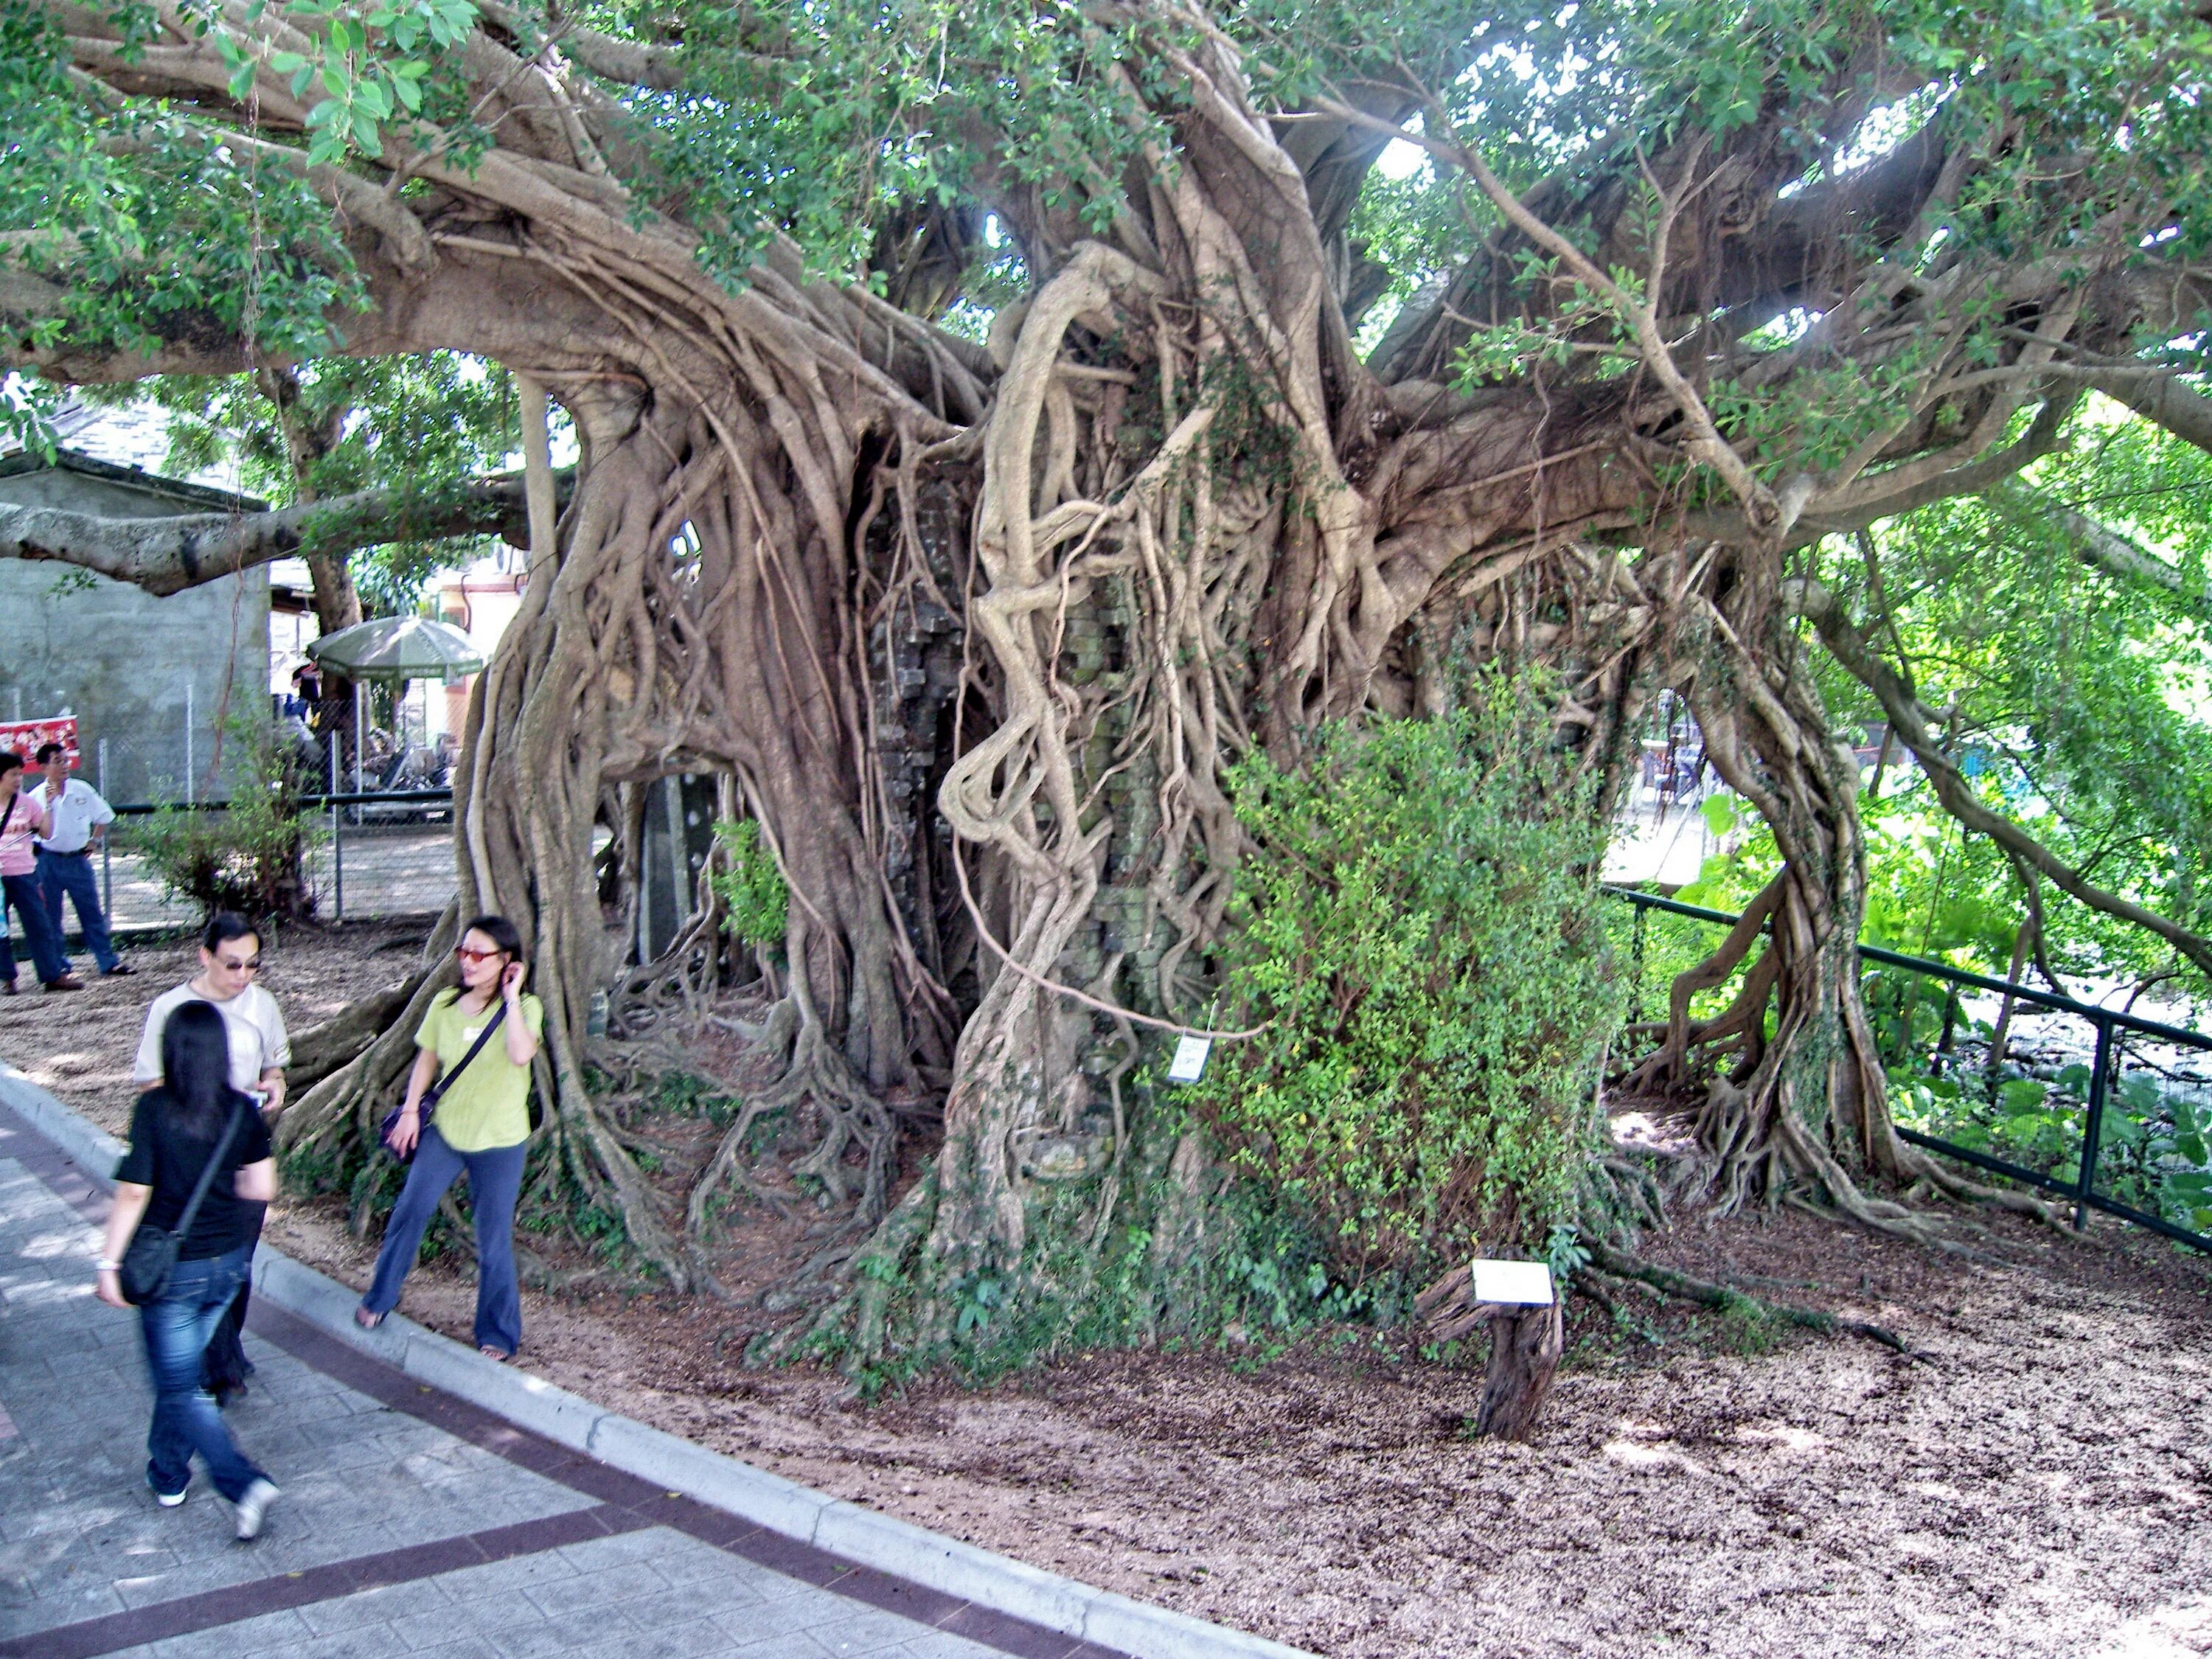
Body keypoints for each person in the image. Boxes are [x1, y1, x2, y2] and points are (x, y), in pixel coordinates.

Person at [95, 999, 282, 1538]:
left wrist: (109, 1263)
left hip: (173, 1272)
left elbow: (134, 1191)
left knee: (177, 1386)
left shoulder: (154, 1110)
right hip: (227, 1266)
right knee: (177, 1376)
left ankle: (241, 1482)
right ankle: (169, 1472)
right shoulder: (242, 1110)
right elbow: (263, 1187)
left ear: (172, 1051)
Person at [356, 915, 542, 1359]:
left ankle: (497, 1332)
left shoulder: (526, 1008)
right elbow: (426, 1060)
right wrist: (408, 1112)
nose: (469, 962)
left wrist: (512, 998)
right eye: (464, 952)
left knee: (493, 1237)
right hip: (448, 1131)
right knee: (410, 1210)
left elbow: (521, 1054)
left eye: (481, 955)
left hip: (501, 1139)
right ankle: (380, 1297)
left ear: (507, 962)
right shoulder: (442, 1003)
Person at [133, 913, 291, 1405]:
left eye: (252, 965)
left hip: (241, 1149)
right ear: (205, 957)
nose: (243, 975)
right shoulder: (171, 1008)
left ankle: (222, 1354)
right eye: (232, 965)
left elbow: (275, 1066)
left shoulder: (262, 1005)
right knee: (200, 1260)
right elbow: (150, 1083)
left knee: (235, 1264)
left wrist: (274, 1089)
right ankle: (219, 1368)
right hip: (188, 1156)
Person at [30, 742, 130, 977]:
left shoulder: (81, 789)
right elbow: (34, 832)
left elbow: (104, 815)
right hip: (48, 861)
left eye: (66, 760)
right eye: (58, 761)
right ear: (44, 767)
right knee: (51, 917)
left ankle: (107, 961)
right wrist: (50, 804)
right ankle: (59, 966)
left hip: (77, 860)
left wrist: (94, 840)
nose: (65, 766)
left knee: (91, 912)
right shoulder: (35, 797)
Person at [0, 751, 80, 993]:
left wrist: (47, 806)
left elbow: (46, 833)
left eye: (19, 774)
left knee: (39, 924)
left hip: (25, 873)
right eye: (13, 775)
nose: (18, 779)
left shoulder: (28, 803)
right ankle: (6, 977)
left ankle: (51, 975)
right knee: (1, 928)